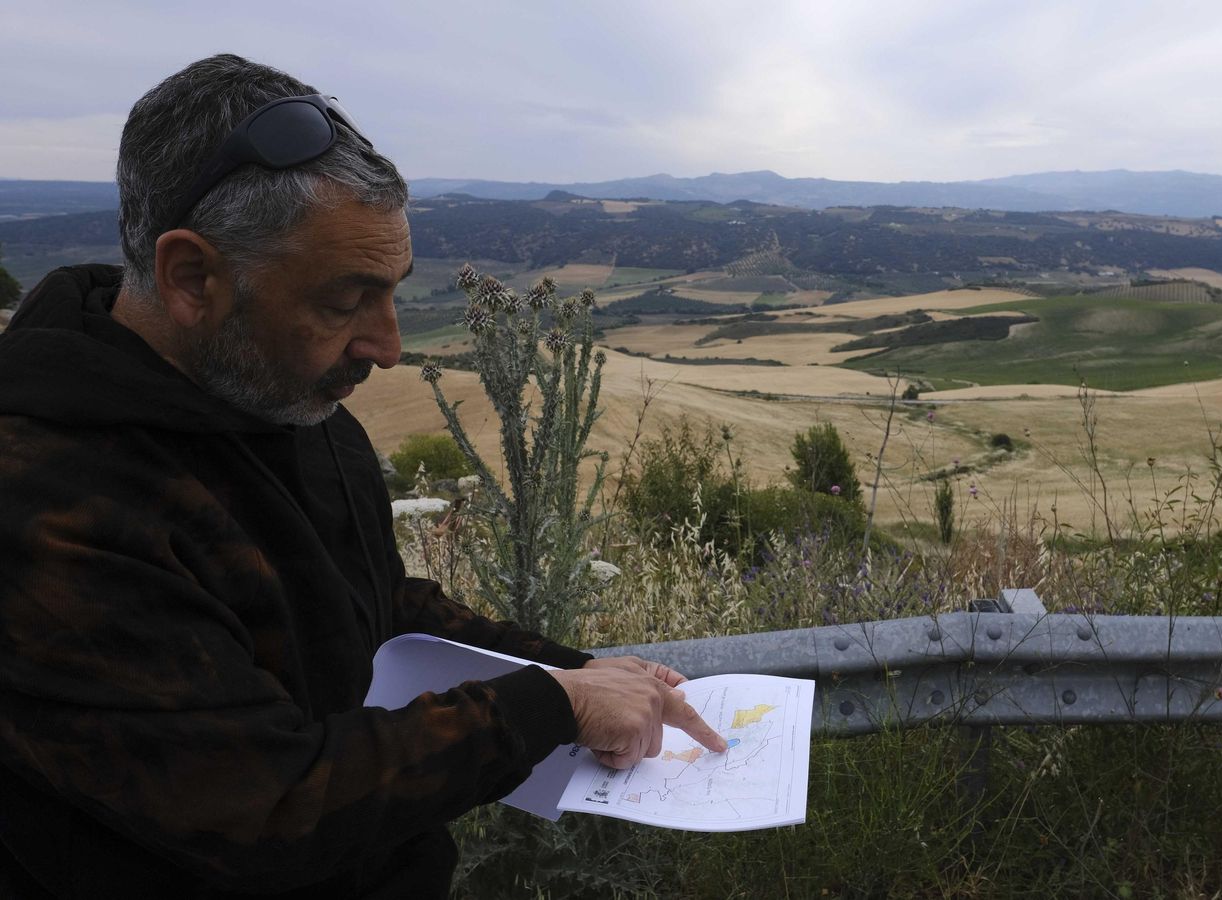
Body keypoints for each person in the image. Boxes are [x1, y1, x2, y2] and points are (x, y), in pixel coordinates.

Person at [0, 54, 724, 899]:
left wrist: (587, 671)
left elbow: (372, 604)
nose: (389, 348)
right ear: (192, 278)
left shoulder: (282, 401)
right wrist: (549, 707)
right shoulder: (45, 500)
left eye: (394, 294)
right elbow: (261, 806)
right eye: (346, 301)